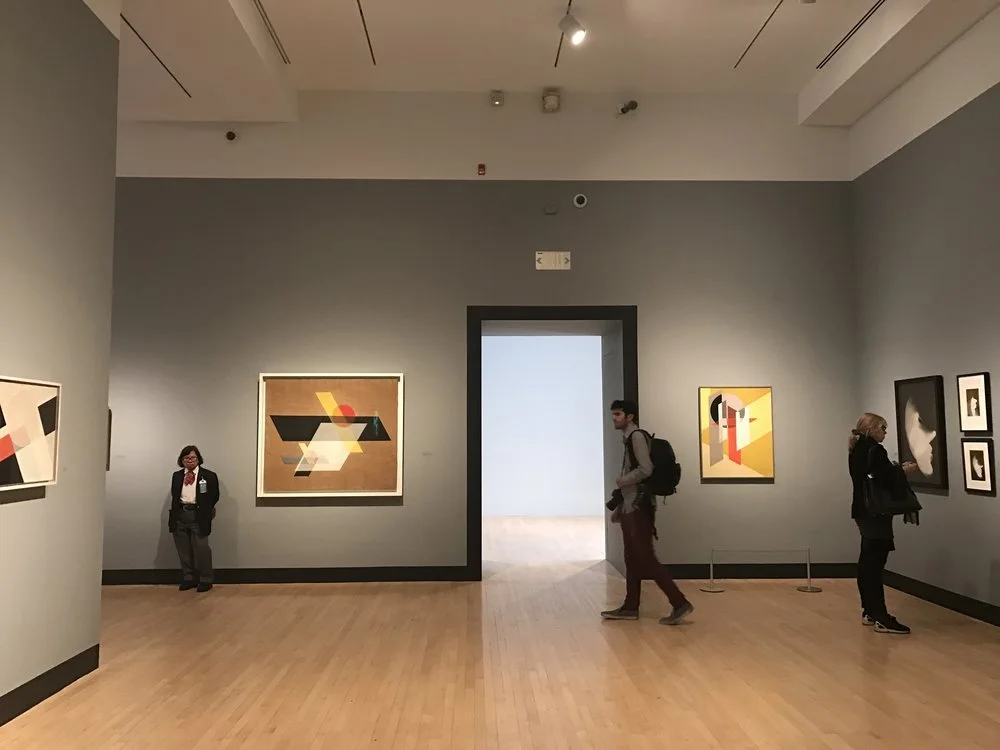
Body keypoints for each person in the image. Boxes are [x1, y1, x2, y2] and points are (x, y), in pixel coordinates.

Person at [601, 399, 694, 625]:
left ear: (630, 416)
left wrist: (623, 480)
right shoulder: (629, 439)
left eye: (618, 414)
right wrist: (621, 506)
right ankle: (630, 606)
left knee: (645, 556)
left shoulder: (636, 437)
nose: (614, 419)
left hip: (638, 505)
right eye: (613, 414)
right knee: (632, 558)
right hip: (631, 505)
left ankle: (679, 603)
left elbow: (646, 469)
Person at [848, 413, 917, 634]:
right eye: (883, 428)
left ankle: (869, 611)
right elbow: (884, 478)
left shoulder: (856, 448)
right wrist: (903, 470)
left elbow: (870, 476)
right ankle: (880, 615)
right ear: (871, 428)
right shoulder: (875, 450)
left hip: (863, 510)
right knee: (875, 564)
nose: (885, 432)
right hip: (876, 512)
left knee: (867, 561)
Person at [168, 445, 220, 592]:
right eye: (186, 458)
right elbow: (174, 495)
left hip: (198, 516)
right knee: (183, 550)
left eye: (192, 457)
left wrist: (205, 510)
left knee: (202, 549)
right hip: (180, 514)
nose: (190, 460)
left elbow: (215, 496)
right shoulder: (177, 476)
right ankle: (189, 578)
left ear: (198, 459)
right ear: (181, 460)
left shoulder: (209, 476)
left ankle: (206, 579)